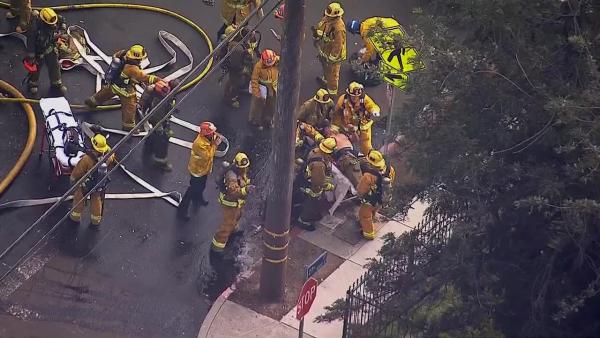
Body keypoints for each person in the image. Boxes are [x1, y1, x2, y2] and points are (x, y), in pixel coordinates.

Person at [85, 45, 162, 131]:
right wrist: (157, 79)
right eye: (140, 59)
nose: (140, 61)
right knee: (130, 108)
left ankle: (91, 102)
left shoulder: (123, 56)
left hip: (114, 85)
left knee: (104, 93)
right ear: (137, 59)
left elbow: (115, 56)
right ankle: (128, 127)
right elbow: (143, 77)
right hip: (126, 91)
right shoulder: (133, 69)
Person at [211, 152, 255, 252]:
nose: (245, 169)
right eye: (243, 167)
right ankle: (217, 248)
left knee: (238, 216)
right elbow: (233, 193)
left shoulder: (240, 171)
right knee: (227, 225)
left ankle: (234, 229)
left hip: (237, 203)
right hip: (229, 203)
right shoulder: (231, 177)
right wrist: (246, 190)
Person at [69, 134, 116, 226]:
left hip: (86, 184)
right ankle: (96, 220)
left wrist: (72, 179)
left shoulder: (87, 159)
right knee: (96, 200)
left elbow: (78, 171)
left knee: (79, 198)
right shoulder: (110, 155)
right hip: (100, 184)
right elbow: (111, 164)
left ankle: (75, 217)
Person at [178, 121, 221, 219]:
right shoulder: (200, 144)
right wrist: (215, 145)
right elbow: (208, 155)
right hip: (197, 171)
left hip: (204, 169)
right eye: (212, 133)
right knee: (192, 189)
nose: (213, 134)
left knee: (202, 185)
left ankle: (198, 198)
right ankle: (182, 209)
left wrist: (216, 138)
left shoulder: (208, 138)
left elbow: (214, 138)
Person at [297, 137, 337, 231]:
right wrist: (329, 186)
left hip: (308, 181)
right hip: (314, 187)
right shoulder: (319, 164)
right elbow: (318, 181)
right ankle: (304, 221)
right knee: (312, 203)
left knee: (314, 202)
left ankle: (313, 214)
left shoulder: (315, 151)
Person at [139, 79, 180, 171]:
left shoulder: (164, 94)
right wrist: (160, 128)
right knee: (162, 141)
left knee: (154, 134)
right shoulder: (161, 100)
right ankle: (160, 161)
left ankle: (148, 147)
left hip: (157, 119)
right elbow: (156, 116)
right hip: (158, 121)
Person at [25, 8, 67, 95]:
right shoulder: (35, 28)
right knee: (36, 69)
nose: (54, 26)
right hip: (38, 52)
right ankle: (33, 84)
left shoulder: (54, 18)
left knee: (54, 66)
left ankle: (56, 84)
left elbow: (62, 20)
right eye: (51, 24)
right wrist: (31, 57)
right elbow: (31, 43)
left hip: (50, 49)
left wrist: (62, 29)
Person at [357, 150, 395, 240]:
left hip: (370, 200)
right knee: (374, 210)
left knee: (364, 215)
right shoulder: (390, 169)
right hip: (382, 198)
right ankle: (372, 218)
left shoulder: (368, 176)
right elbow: (391, 180)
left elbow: (361, 190)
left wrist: (360, 195)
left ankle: (368, 233)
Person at [333, 82, 381, 154]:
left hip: (363, 126)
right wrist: (335, 126)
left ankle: (369, 159)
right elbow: (337, 113)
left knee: (366, 146)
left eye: (356, 96)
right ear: (348, 94)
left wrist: (375, 110)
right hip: (348, 126)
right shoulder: (343, 99)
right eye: (352, 96)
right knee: (343, 142)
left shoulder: (364, 99)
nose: (354, 98)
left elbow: (372, 106)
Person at [313, 2, 346, 96]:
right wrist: (317, 35)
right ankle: (325, 79)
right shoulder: (328, 21)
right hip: (325, 50)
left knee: (333, 74)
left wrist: (332, 57)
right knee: (326, 67)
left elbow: (338, 45)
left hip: (334, 56)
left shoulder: (338, 28)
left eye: (329, 16)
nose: (326, 17)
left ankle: (332, 91)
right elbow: (322, 31)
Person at [222, 26, 259, 108]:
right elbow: (235, 64)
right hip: (238, 70)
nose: (253, 37)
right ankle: (229, 99)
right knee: (235, 83)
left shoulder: (248, 40)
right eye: (251, 36)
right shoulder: (237, 49)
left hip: (247, 64)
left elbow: (253, 46)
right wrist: (243, 70)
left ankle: (242, 87)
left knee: (245, 79)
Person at [249, 49, 279, 129]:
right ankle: (255, 121)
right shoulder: (258, 67)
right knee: (258, 106)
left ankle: (268, 120)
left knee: (271, 105)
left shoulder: (276, 60)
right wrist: (257, 93)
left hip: (272, 89)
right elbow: (254, 80)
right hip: (262, 87)